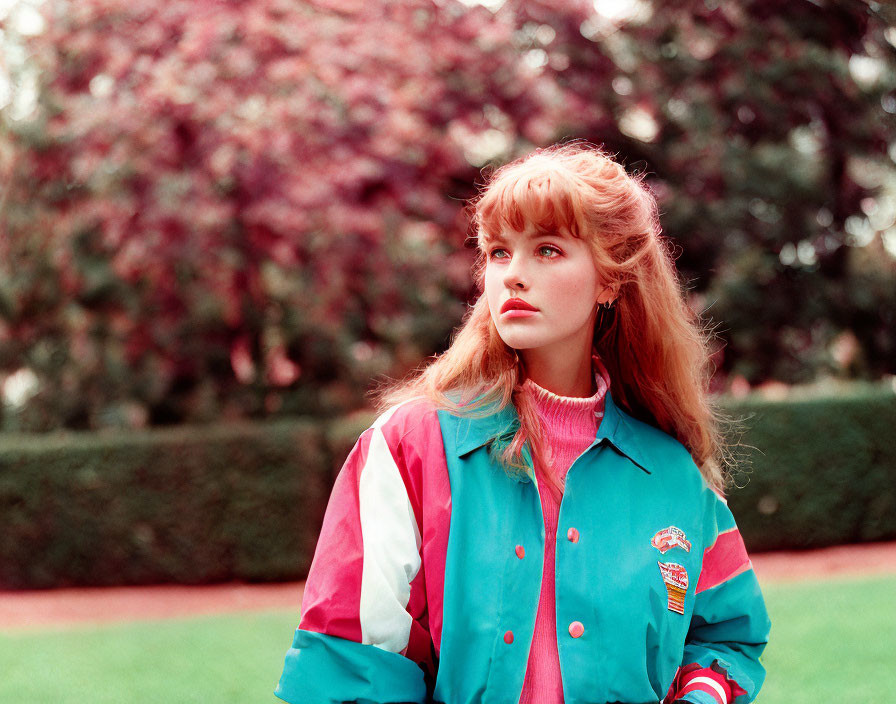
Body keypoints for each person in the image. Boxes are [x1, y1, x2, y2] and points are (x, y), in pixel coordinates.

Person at [275, 141, 770, 704]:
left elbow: (726, 636)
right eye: (499, 253)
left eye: (549, 250)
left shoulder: (675, 475)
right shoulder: (408, 449)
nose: (513, 276)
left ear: (610, 280)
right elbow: (349, 662)